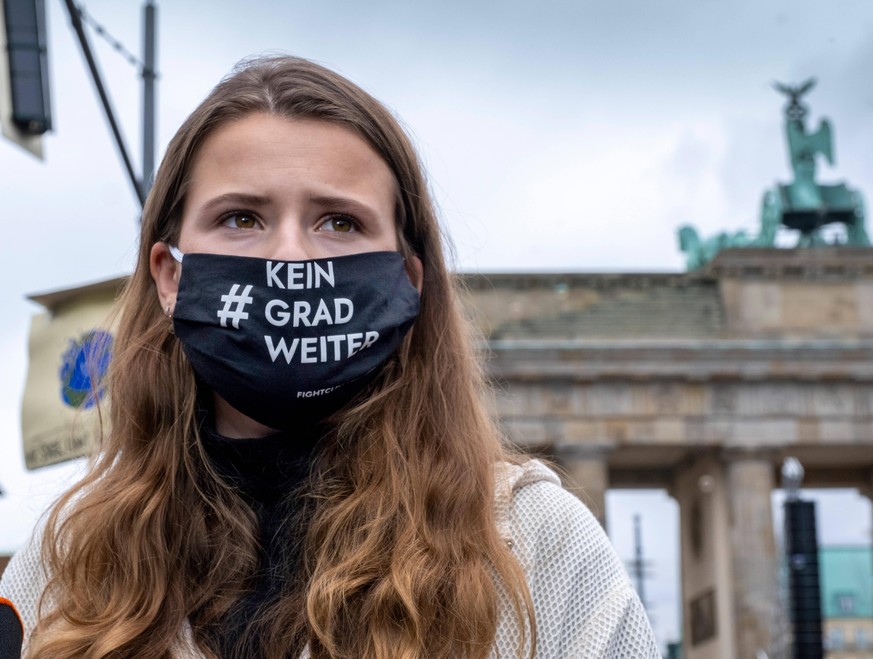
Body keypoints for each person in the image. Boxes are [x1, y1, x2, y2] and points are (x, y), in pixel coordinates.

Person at [0, 55, 660, 658]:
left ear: (408, 279)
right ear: (170, 275)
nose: (289, 255)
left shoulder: (532, 544)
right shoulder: (66, 565)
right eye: (241, 218)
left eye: (338, 222)